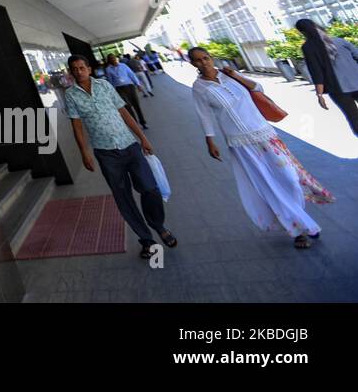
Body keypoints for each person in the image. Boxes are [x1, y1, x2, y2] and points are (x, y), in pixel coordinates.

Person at [188, 47, 332, 248]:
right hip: (239, 142)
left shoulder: (230, 74)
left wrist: (235, 76)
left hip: (265, 135)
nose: (203, 62)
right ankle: (299, 229)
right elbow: (204, 115)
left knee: (289, 179)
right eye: (197, 60)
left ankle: (301, 219)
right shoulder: (199, 88)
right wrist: (209, 140)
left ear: (211, 58)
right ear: (192, 64)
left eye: (206, 58)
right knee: (267, 185)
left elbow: (258, 88)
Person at [63, 54, 176, 258]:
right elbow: (77, 125)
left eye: (82, 67)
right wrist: (84, 153)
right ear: (71, 72)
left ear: (89, 68)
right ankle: (146, 240)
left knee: (150, 188)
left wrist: (142, 137)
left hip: (129, 145)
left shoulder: (105, 85)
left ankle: (158, 225)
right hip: (106, 153)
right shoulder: (71, 95)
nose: (79, 71)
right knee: (123, 198)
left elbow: (123, 112)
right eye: (75, 69)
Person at [295, 19, 358, 137]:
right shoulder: (339, 41)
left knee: (353, 118)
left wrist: (319, 95)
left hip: (338, 89)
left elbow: (316, 72)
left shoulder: (308, 48)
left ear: (302, 32)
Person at [103, 53, 149, 127]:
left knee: (136, 105)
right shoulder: (108, 70)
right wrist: (112, 92)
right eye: (110, 58)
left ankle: (143, 122)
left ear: (116, 58)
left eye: (113, 58)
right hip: (120, 89)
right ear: (108, 61)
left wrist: (138, 84)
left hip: (130, 87)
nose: (113, 59)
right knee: (127, 106)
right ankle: (135, 124)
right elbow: (110, 81)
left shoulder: (123, 66)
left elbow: (131, 74)